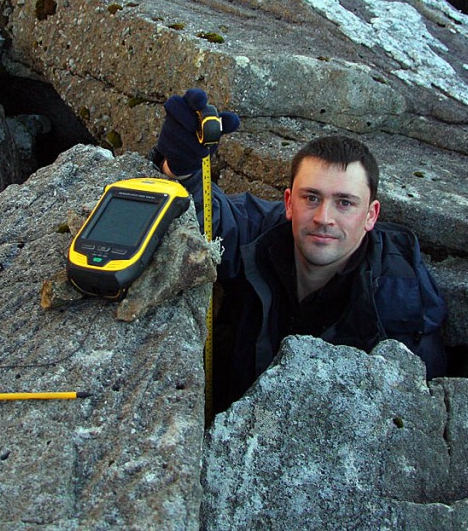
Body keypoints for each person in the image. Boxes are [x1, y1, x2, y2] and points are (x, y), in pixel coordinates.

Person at [151, 89, 447, 408]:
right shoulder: (264, 233)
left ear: (371, 215)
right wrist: (181, 171)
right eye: (311, 198)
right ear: (290, 203)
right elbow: (211, 220)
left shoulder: (402, 309)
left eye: (345, 203)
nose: (324, 218)